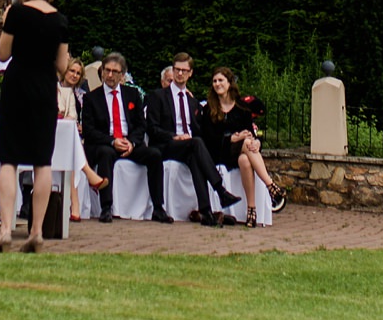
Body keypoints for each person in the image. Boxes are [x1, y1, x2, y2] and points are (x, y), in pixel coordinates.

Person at [0, 0, 69, 252]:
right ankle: (36, 231)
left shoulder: (17, 13)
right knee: (42, 161)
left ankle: (6, 229)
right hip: (45, 88)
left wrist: (5, 24)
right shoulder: (60, 20)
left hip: (18, 84)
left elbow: (2, 54)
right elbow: (62, 67)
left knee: (9, 158)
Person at [145, 53, 226, 225]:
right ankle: (220, 190)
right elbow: (152, 128)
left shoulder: (193, 102)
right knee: (196, 143)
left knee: (195, 155)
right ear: (173, 71)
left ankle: (205, 212)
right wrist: (174, 136)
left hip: (188, 147)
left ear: (191, 73)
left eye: (184, 70)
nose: (180, 73)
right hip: (166, 145)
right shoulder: (158, 96)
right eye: (177, 70)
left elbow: (200, 129)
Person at [78, 52, 149, 222]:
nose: (110, 75)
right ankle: (106, 207)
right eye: (106, 70)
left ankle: (158, 207)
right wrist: (112, 141)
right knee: (105, 153)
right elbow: (89, 130)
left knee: (154, 155)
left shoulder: (132, 95)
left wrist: (131, 142)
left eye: (115, 72)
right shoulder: (91, 98)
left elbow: (141, 125)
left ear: (122, 75)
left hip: (127, 142)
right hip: (105, 143)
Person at [198, 67, 271, 225]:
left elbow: (251, 133)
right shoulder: (208, 109)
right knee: (244, 142)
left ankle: (251, 209)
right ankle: (271, 185)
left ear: (230, 83)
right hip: (219, 152)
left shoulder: (241, 108)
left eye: (221, 80)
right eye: (215, 81)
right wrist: (232, 138)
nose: (217, 84)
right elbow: (208, 138)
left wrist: (257, 142)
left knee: (245, 159)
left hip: (240, 154)